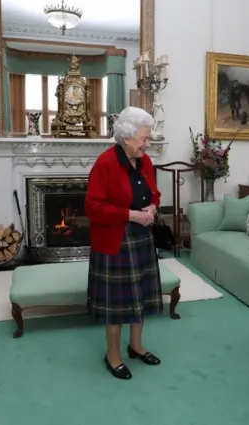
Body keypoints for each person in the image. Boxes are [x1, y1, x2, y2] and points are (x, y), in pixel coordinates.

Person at [85, 106, 163, 380]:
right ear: (127, 137)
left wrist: (153, 206)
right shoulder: (106, 163)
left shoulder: (146, 162)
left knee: (139, 297)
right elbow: (93, 208)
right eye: (144, 138)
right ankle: (113, 355)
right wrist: (131, 215)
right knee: (116, 307)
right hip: (115, 240)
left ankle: (136, 346)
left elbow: (154, 192)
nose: (147, 143)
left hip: (141, 237)